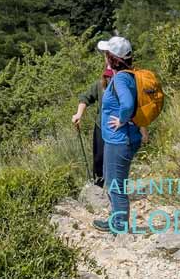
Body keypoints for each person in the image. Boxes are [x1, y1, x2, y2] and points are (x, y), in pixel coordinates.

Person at [92, 36, 142, 234]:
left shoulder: (121, 78)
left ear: (112, 57)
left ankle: (119, 227)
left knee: (116, 185)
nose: (104, 57)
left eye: (106, 54)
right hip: (117, 139)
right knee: (112, 181)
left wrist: (122, 119)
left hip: (120, 139)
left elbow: (128, 104)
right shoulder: (127, 75)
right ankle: (115, 219)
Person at [71, 58, 115, 188]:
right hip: (100, 127)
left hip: (118, 129)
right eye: (107, 76)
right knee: (99, 158)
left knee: (115, 159)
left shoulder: (125, 86)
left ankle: (116, 187)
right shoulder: (100, 86)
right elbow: (85, 98)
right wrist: (79, 114)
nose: (109, 79)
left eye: (111, 76)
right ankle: (99, 186)